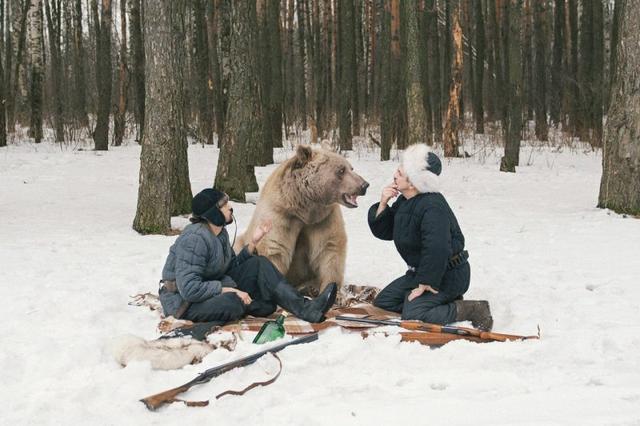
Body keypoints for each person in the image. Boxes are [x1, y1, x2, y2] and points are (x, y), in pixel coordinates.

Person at [159, 188, 338, 324]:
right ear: (212, 213)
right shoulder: (194, 238)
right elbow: (189, 289)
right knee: (233, 302)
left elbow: (229, 267)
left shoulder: (220, 234)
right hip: (183, 303)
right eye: (224, 205)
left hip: (210, 287)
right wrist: (231, 290)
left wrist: (253, 242)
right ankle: (247, 304)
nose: (230, 208)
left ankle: (307, 309)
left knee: (258, 263)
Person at [367, 144, 493, 331]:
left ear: (413, 182)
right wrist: (383, 203)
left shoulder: (433, 207)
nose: (395, 174)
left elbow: (437, 249)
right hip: (421, 272)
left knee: (413, 315)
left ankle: (472, 309)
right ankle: (435, 303)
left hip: (448, 275)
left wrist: (426, 283)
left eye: (400, 173)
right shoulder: (405, 201)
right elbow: (386, 232)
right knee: (384, 302)